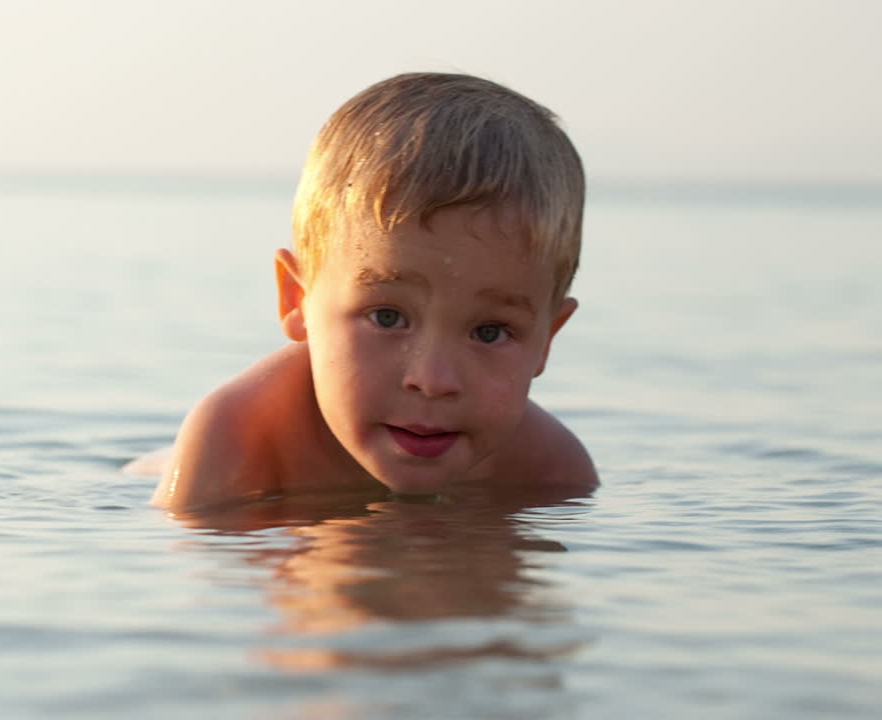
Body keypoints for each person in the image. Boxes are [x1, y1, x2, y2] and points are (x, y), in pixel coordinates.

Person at [151, 72, 597, 512]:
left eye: (490, 332)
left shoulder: (551, 471)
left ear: (547, 338)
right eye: (387, 317)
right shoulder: (239, 437)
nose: (433, 380)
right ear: (296, 301)